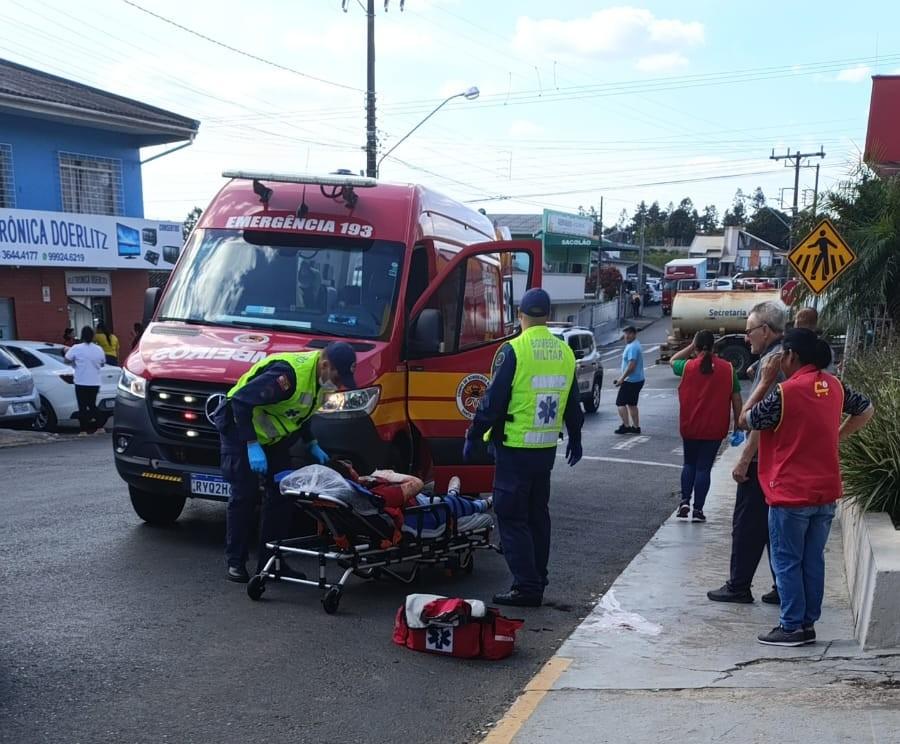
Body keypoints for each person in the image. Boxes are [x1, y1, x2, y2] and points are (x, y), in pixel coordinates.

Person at [745, 328, 874, 646]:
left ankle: (791, 626)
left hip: (791, 492)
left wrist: (764, 382)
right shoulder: (835, 386)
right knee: (813, 558)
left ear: (791, 356)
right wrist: (836, 438)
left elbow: (747, 420)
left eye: (783, 355)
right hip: (825, 489)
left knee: (787, 560)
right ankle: (807, 623)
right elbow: (867, 410)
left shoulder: (785, 392)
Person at [463, 288, 584, 607]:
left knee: (511, 516)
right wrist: (576, 435)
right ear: (548, 314)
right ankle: (537, 577)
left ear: (520, 314)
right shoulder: (564, 351)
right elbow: (572, 402)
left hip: (514, 449)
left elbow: (493, 401)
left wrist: (475, 433)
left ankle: (527, 587)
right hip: (545, 450)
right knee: (536, 515)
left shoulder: (513, 350)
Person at [212, 343, 357, 583]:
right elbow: (240, 401)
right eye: (338, 376)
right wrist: (250, 444)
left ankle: (271, 563)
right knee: (245, 494)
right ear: (325, 365)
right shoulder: (288, 375)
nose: (339, 383)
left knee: (282, 494)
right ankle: (235, 562)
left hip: (272, 438)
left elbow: (301, 412)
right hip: (239, 429)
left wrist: (311, 443)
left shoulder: (321, 381)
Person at [708, 301, 785, 605]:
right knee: (772, 527)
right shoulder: (781, 356)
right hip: (778, 459)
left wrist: (744, 458)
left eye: (750, 331)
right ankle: (782, 585)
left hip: (762, 458)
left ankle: (739, 585)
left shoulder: (773, 366)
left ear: (765, 330)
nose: (746, 337)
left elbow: (760, 421)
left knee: (748, 524)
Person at [669, 331, 743, 523]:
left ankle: (684, 501)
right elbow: (736, 398)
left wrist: (691, 347)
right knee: (703, 469)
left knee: (689, 464)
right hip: (715, 428)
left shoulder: (686, 367)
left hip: (690, 425)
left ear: (697, 346)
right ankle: (698, 510)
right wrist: (738, 425)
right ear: (714, 346)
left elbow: (672, 360)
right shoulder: (728, 369)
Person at [64, 326, 108, 436]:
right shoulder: (98, 349)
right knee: (92, 404)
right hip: (95, 381)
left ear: (82, 335)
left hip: (81, 381)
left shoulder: (76, 348)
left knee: (82, 406)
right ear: (93, 336)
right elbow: (102, 363)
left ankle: (83, 430)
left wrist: (67, 352)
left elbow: (66, 360)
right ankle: (100, 426)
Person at [613, 326, 644, 435]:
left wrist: (622, 379)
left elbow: (631, 366)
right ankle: (636, 427)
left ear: (634, 334)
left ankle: (626, 426)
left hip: (631, 380)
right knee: (632, 404)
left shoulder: (632, 347)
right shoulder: (634, 345)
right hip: (637, 379)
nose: (626, 336)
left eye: (628, 334)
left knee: (620, 403)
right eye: (625, 333)